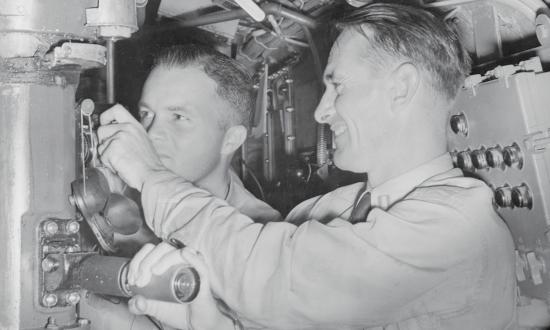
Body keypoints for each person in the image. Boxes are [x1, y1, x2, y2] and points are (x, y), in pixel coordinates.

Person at [99, 2, 517, 329]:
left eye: (336, 86)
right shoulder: (336, 208)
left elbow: (276, 279)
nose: (320, 111)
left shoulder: (458, 230)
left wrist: (151, 176)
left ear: (401, 87)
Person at [84, 44, 281, 329]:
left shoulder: (261, 239)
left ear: (231, 140)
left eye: (179, 117)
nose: (151, 135)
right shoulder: (111, 198)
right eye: (147, 114)